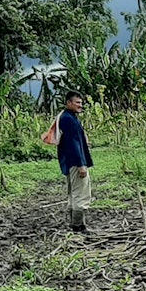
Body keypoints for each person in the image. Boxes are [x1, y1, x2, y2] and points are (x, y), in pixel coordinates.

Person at [56, 91, 93, 233]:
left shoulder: (68, 117)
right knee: (80, 194)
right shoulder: (69, 120)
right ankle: (78, 226)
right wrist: (81, 164)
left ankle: (74, 224)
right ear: (68, 103)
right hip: (75, 162)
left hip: (69, 161)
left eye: (81, 103)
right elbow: (73, 144)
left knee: (73, 194)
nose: (80, 105)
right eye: (77, 102)